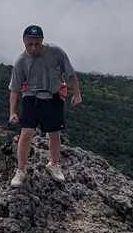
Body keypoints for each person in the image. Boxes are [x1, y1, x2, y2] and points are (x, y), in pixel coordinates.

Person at [8, 25, 82, 187]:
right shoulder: (21, 61)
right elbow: (14, 89)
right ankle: (21, 170)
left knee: (54, 132)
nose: (33, 47)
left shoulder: (56, 52)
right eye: (30, 44)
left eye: (37, 43)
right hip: (31, 98)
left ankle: (54, 164)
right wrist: (12, 112)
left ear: (42, 40)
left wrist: (77, 94)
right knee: (26, 133)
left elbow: (70, 73)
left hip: (53, 96)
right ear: (24, 42)